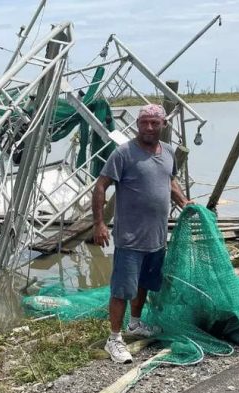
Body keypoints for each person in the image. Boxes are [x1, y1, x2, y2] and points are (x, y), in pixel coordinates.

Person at [92, 103, 192, 363]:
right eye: (144, 122)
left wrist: (183, 201)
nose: (149, 127)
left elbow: (170, 181)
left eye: (154, 123)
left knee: (144, 284)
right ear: (137, 125)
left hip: (157, 238)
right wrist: (99, 224)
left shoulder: (169, 152)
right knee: (121, 290)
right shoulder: (124, 153)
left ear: (163, 125)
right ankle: (113, 339)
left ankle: (135, 324)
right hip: (129, 239)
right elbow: (101, 185)